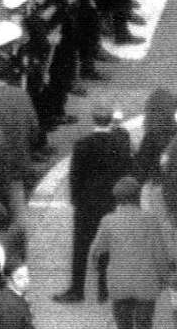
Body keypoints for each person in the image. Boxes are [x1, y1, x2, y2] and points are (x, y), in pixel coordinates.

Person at [85, 177, 167, 329]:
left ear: (117, 199)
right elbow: (160, 254)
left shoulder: (108, 221)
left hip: (120, 286)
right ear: (138, 197)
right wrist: (164, 277)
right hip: (146, 285)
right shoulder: (150, 220)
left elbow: (97, 250)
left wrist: (94, 269)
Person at [57, 106, 133, 303]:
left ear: (94, 120)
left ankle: (77, 290)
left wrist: (76, 200)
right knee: (107, 246)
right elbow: (126, 174)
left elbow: (75, 177)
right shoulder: (120, 144)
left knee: (81, 247)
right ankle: (103, 288)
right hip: (110, 202)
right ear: (110, 121)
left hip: (87, 204)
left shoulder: (82, 144)